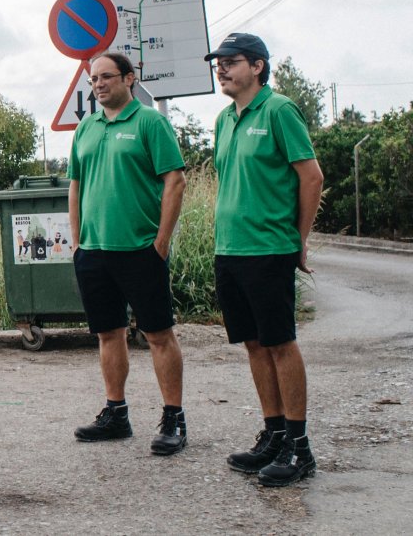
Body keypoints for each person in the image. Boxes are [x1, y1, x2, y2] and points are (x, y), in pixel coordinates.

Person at [207, 33, 324, 487]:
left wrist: (298, 239)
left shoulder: (279, 111)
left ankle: (300, 447)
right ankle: (274, 434)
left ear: (257, 66)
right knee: (254, 344)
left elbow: (310, 176)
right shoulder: (223, 120)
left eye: (230, 62)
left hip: (269, 248)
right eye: (218, 63)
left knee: (280, 342)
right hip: (230, 248)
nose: (221, 69)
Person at [67, 52, 189, 456]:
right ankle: (116, 413)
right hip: (94, 250)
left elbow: (175, 180)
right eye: (93, 79)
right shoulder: (86, 127)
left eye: (106, 77)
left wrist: (161, 241)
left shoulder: (150, 122)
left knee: (157, 334)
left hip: (140, 249)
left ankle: (174, 419)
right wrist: (77, 240)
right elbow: (76, 185)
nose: (98, 84)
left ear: (129, 79)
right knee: (108, 333)